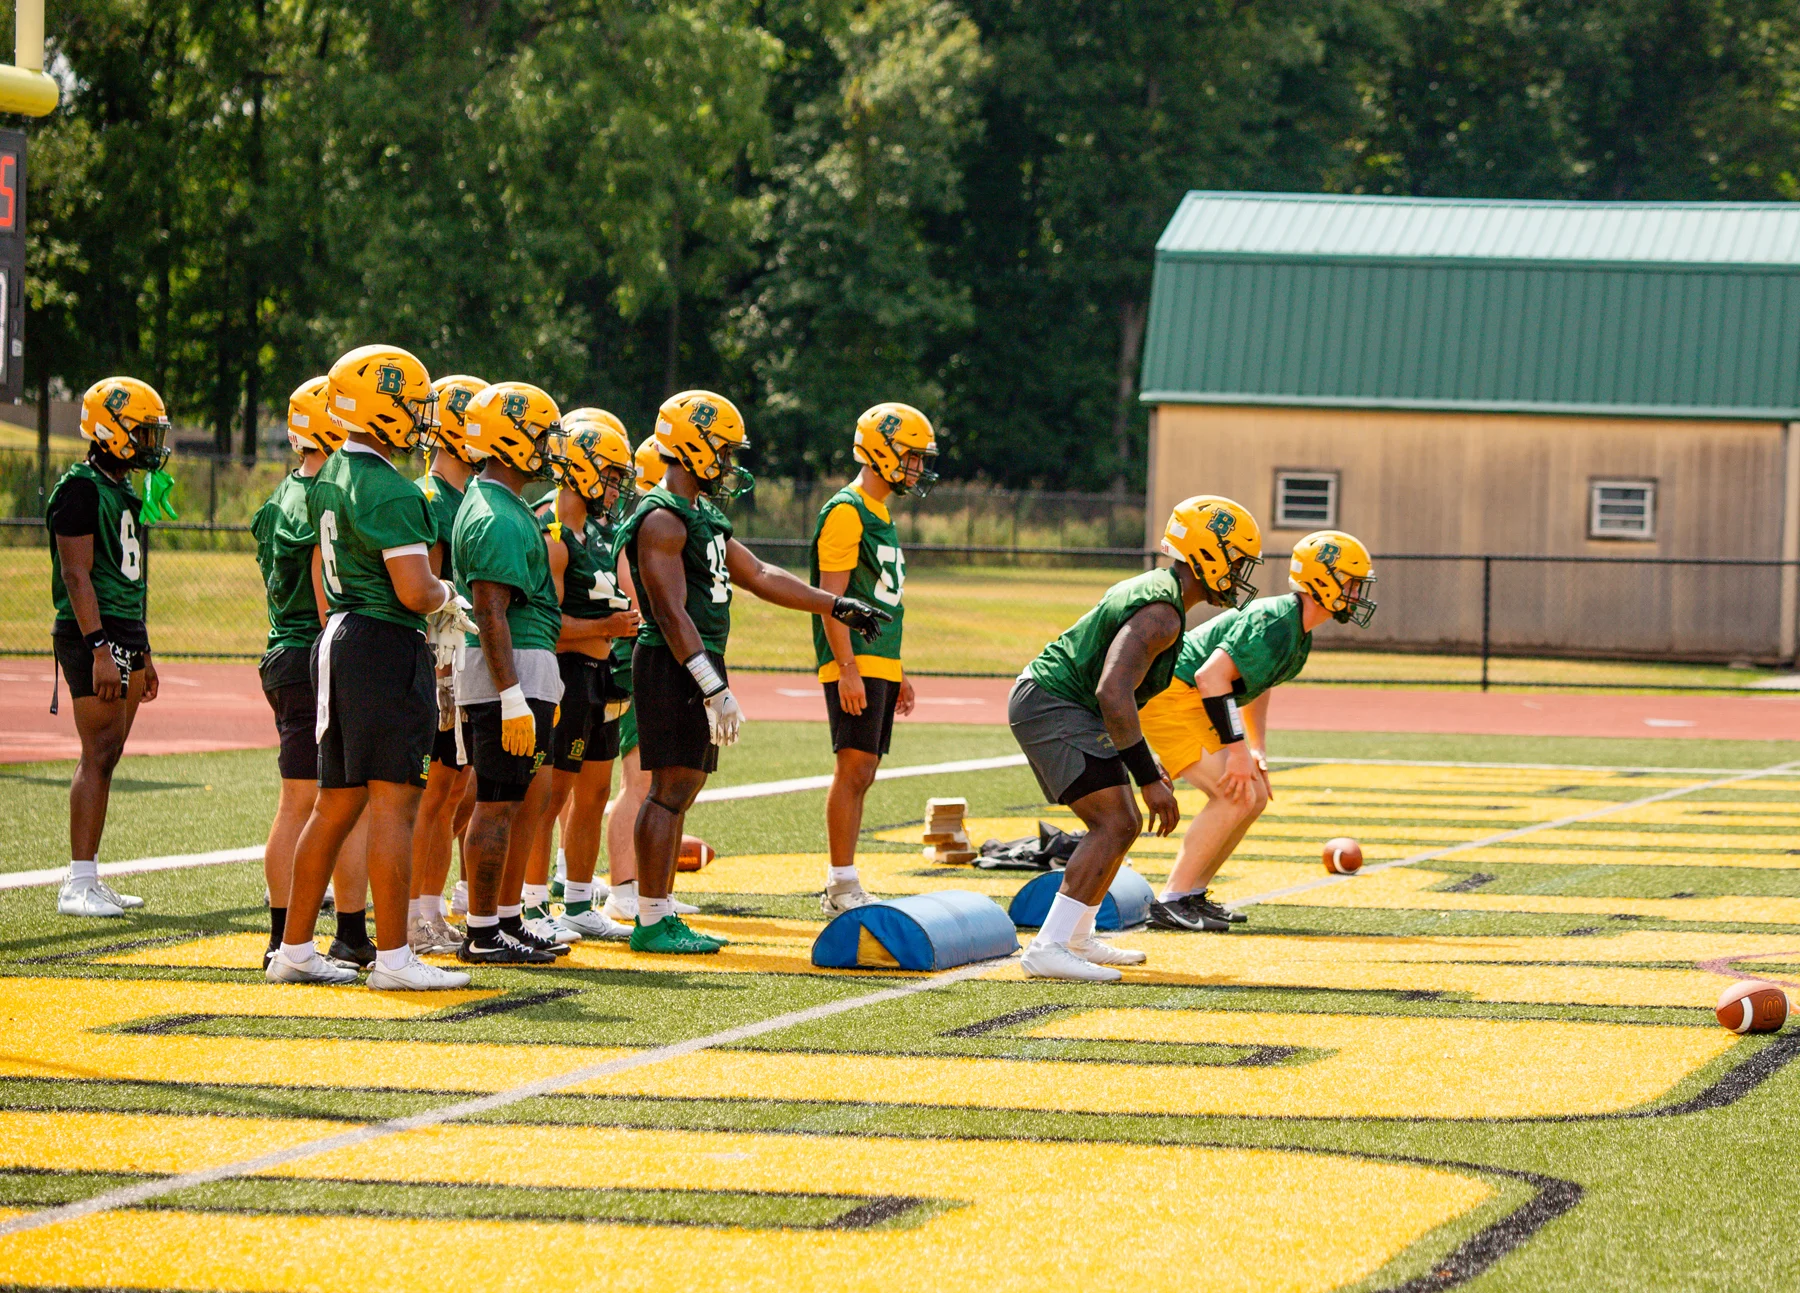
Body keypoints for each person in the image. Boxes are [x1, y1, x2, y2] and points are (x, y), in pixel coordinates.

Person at [618, 390, 890, 953]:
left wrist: (834, 605)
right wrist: (709, 683)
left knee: (683, 785)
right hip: (673, 659)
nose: (728, 463)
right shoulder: (663, 518)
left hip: (695, 658)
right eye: (721, 450)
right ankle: (649, 918)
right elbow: (669, 613)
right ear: (691, 446)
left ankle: (662, 910)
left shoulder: (703, 514)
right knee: (666, 788)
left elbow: (760, 573)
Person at [267, 343, 473, 991]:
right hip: (382, 643)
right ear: (380, 408)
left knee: (334, 804)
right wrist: (449, 598)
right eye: (410, 405)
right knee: (393, 804)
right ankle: (392, 959)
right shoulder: (387, 486)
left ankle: (294, 949)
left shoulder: (329, 474)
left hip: (339, 636)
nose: (418, 418)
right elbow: (415, 588)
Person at [1008, 495, 1263, 982]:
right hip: (1054, 703)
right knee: (1114, 821)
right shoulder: (1162, 612)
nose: (1238, 573)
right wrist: (1147, 775)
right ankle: (1049, 946)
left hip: (1067, 704)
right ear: (1207, 554)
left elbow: (1115, 692)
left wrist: (1142, 762)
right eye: (1234, 560)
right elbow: (1112, 690)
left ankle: (1076, 936)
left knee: (1121, 822)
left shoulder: (1167, 600)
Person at [1139, 530, 1377, 932]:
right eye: (1351, 583)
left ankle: (1192, 894)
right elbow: (1211, 676)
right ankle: (1171, 900)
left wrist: (1256, 749)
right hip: (1171, 694)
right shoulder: (1275, 620)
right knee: (1233, 795)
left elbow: (1253, 684)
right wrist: (1235, 751)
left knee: (1254, 797)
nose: (1357, 594)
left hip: (1192, 696)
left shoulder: (1296, 632)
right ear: (1323, 580)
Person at [251, 375, 373, 967]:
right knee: (311, 800)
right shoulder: (327, 493)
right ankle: (287, 940)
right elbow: (328, 593)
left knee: (335, 801)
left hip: (287, 650)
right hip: (315, 652)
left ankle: (345, 931)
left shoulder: (278, 497)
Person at [451, 381, 571, 965]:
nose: (549, 447)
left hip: (523, 664)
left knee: (511, 799)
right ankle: (481, 931)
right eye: (541, 435)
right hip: (512, 667)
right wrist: (512, 695)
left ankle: (502, 919)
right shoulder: (496, 513)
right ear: (510, 440)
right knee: (496, 801)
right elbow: (491, 611)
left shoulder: (505, 504)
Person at [48, 378, 172, 917]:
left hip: (122, 633)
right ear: (110, 430)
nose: (149, 442)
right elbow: (77, 576)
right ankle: (78, 882)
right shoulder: (79, 488)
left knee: (110, 753)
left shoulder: (120, 488)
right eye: (141, 431)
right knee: (97, 752)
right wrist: (99, 647)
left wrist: (141, 651)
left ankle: (90, 875)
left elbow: (128, 579)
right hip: (92, 634)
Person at [811, 402, 936, 914]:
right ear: (881, 451)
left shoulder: (879, 510)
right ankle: (840, 884)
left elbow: (883, 600)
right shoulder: (847, 509)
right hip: (854, 660)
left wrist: (897, 669)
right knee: (853, 768)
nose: (918, 469)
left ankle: (845, 879)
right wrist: (848, 667)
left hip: (878, 659)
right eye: (910, 456)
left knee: (865, 771)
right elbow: (831, 600)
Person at [523, 411, 640, 941]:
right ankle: (529, 904)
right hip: (566, 672)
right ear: (584, 471)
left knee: (592, 792)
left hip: (601, 673)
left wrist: (616, 625)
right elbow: (542, 624)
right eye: (611, 475)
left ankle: (576, 902)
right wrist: (607, 624)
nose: (616, 487)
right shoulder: (548, 530)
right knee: (550, 796)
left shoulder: (595, 531)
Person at [408, 372, 486, 956]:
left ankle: (430, 908)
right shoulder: (433, 497)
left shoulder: (465, 497)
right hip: (444, 659)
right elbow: (434, 589)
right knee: (437, 793)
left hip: (469, 658)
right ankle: (418, 912)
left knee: (456, 791)